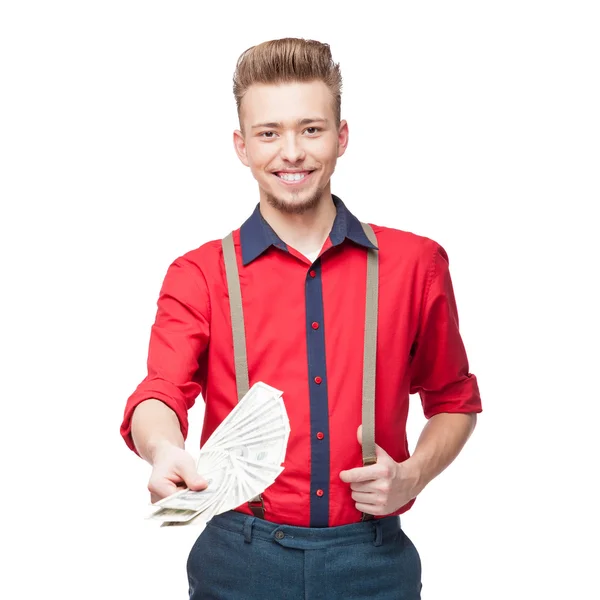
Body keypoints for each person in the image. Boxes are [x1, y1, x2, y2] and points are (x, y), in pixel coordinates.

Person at [120, 37, 482, 600]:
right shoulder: (199, 274)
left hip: (374, 562)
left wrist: (412, 476)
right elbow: (161, 391)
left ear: (341, 138)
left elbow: (454, 398)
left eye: (310, 129)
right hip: (237, 558)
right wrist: (164, 449)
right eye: (269, 133)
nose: (291, 152)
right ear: (242, 146)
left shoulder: (417, 264)